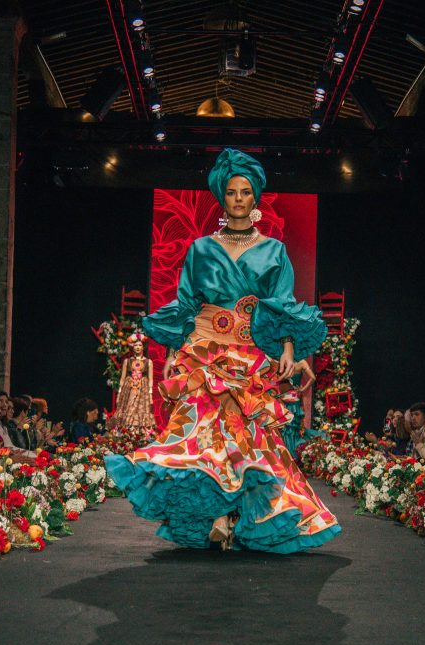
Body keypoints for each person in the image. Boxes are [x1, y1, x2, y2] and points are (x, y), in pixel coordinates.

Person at [104, 148, 341, 553]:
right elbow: (187, 302)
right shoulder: (200, 248)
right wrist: (175, 351)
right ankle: (217, 515)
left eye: (245, 192)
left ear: (255, 197)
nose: (238, 199)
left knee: (246, 433)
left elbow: (281, 304)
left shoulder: (274, 250)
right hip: (205, 348)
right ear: (222, 196)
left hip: (250, 351)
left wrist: (287, 347)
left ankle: (232, 516)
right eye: (231, 192)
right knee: (202, 432)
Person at [115, 333, 156, 431]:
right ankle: (127, 432)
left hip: (143, 390)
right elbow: (122, 378)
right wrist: (119, 393)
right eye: (135, 345)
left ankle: (140, 433)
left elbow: (151, 379)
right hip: (129, 389)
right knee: (129, 408)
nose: (137, 347)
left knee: (141, 410)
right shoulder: (127, 361)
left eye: (140, 345)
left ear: (143, 347)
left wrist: (150, 395)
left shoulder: (148, 362)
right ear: (132, 347)